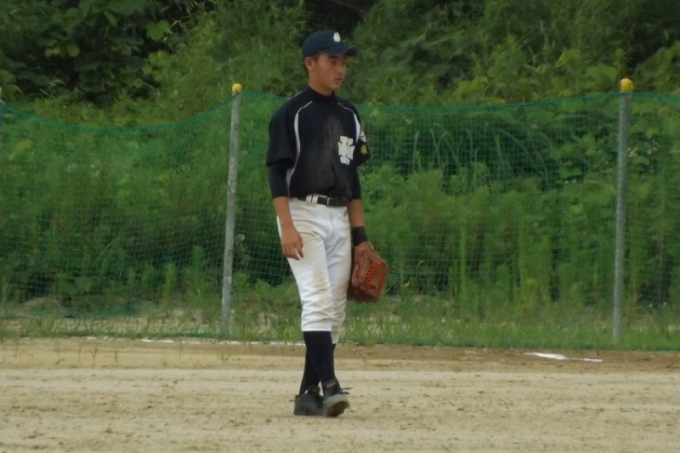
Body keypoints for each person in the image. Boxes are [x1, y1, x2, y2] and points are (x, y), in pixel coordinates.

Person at [266, 29, 371, 417]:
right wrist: (287, 226)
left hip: (338, 216)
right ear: (310, 63)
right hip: (302, 212)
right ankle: (330, 385)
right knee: (318, 299)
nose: (339, 68)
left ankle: (307, 396)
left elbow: (352, 178)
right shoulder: (292, 113)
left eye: (343, 61)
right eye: (332, 60)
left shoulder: (349, 115)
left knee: (336, 310)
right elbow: (276, 172)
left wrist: (361, 236)